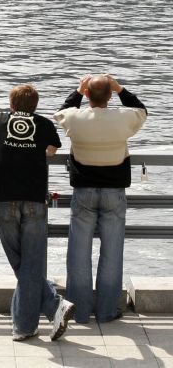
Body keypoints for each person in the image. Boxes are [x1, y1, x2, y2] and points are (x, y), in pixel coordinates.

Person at [0, 83, 75, 341]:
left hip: (3, 196)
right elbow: (51, 151)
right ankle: (42, 314)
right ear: (35, 105)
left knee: (19, 260)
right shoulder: (44, 124)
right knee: (31, 261)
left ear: (11, 104)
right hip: (34, 198)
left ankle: (32, 322)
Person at [55, 74, 147, 325]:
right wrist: (120, 88)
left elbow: (61, 113)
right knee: (112, 251)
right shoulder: (123, 118)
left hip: (83, 191)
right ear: (110, 95)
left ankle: (80, 311)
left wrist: (77, 91)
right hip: (114, 192)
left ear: (87, 95)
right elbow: (141, 110)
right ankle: (106, 311)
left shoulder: (75, 118)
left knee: (78, 253)